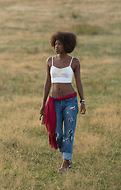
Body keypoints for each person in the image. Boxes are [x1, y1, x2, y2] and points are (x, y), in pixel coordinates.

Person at [39, 31, 86, 174]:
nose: (56, 46)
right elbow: (47, 83)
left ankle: (66, 162)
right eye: (55, 43)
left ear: (67, 45)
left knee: (69, 132)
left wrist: (82, 101)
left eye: (59, 44)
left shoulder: (74, 62)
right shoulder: (50, 61)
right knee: (58, 134)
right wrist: (43, 104)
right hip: (54, 102)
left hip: (70, 101)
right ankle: (65, 152)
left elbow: (78, 82)